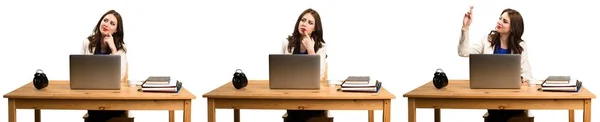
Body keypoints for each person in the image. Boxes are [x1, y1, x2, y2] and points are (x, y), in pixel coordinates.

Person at [459, 6, 533, 122]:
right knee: (497, 114)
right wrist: (465, 27)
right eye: (500, 18)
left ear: (513, 28)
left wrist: (522, 79)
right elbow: (463, 52)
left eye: (505, 21)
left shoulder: (521, 45)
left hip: (514, 100)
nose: (499, 22)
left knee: (501, 116)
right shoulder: (486, 40)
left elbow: (527, 75)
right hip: (492, 99)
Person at [81, 10, 129, 122]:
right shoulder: (87, 43)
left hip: (114, 97)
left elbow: (121, 76)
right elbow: (81, 69)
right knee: (95, 111)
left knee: (98, 114)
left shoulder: (120, 49)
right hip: (93, 96)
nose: (106, 24)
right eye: (105, 20)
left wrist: (113, 49)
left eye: (112, 23)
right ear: (100, 22)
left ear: (116, 30)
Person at [281, 8, 327, 122]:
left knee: (301, 112)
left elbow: (320, 75)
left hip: (313, 96)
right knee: (295, 110)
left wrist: (311, 51)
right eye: (303, 20)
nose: (304, 24)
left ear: (315, 28)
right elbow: (282, 70)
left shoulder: (320, 46)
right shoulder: (287, 43)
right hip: (293, 94)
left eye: (310, 23)